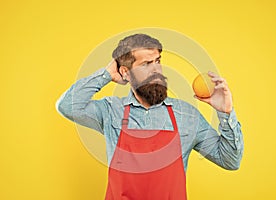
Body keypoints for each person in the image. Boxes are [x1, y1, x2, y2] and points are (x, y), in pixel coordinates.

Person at [56, 33, 244, 200]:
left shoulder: (186, 115)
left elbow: (230, 161)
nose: (156, 69)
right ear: (125, 72)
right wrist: (106, 74)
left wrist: (225, 112)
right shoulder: (111, 111)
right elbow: (67, 106)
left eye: (158, 61)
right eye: (146, 64)